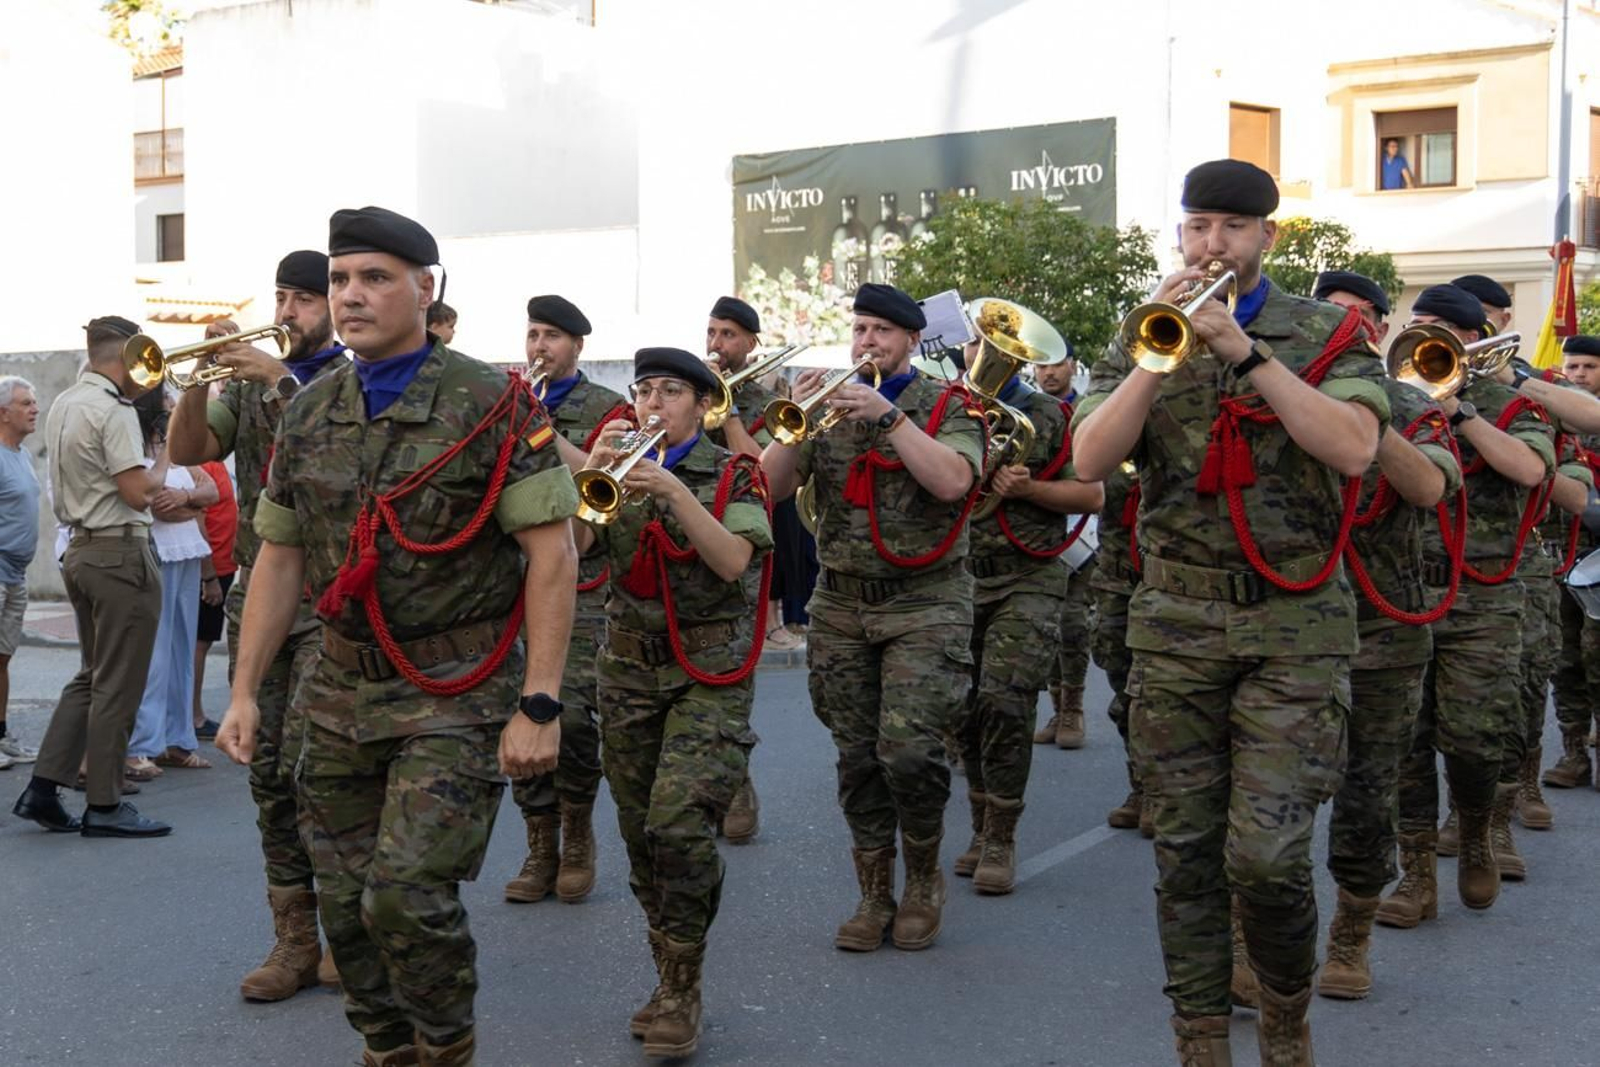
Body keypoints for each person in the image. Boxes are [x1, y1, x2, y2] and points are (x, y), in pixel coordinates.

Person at [215, 206, 579, 1067]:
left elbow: (552, 555)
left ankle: (447, 1044)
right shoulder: (308, 414)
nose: (350, 296)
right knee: (344, 907)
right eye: (341, 280)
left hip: (454, 688)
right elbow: (279, 558)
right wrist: (242, 691)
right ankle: (389, 1047)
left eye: (374, 277)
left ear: (426, 288)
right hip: (338, 691)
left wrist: (541, 701)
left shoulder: (491, 403)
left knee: (407, 895)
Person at [1070, 159, 1390, 1065]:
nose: (1213, 245)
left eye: (1232, 229)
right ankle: (1201, 1037)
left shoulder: (1329, 333)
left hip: (1294, 626)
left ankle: (1285, 1014)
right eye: (1198, 226)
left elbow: (1356, 447)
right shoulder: (1142, 331)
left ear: (1267, 239)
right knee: (1185, 851)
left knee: (1269, 856)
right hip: (1175, 623)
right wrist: (1157, 355)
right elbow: (1092, 458)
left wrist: (1243, 352)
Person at [761, 282, 984, 954]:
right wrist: (792, 422)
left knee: (910, 749)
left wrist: (890, 418)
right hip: (844, 602)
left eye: (882, 331)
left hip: (927, 601)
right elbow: (766, 488)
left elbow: (952, 481)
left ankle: (921, 876)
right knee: (857, 756)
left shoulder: (951, 405)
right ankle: (873, 890)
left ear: (913, 340)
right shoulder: (829, 406)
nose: (867, 342)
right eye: (859, 329)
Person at [572, 346, 771, 1058]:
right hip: (627, 669)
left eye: (672, 391)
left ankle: (685, 986)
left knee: (678, 824)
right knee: (638, 835)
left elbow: (734, 562)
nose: (654, 403)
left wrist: (673, 491)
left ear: (703, 403)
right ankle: (668, 974)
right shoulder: (616, 467)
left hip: (707, 671)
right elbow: (567, 550)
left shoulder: (734, 472)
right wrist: (591, 472)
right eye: (644, 389)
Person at [167, 250, 349, 1001]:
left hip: (333, 600)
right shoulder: (246, 385)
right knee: (269, 772)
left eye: (305, 299)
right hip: (261, 596)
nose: (288, 313)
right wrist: (196, 381)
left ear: (333, 307)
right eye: (283, 297)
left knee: (321, 767)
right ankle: (294, 937)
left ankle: (345, 927)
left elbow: (328, 452)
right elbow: (186, 452)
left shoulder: (349, 377)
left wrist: (273, 380)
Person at [1381, 284, 1553, 929]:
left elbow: (1532, 472)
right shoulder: (1394, 405)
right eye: (1417, 327)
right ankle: (1417, 873)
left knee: (1476, 737)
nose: (1426, 339)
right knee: (1405, 741)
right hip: (1403, 590)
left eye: (1440, 331)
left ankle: (1478, 826)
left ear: (1474, 341)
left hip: (1483, 593)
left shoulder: (1514, 406)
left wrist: (1459, 414)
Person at [1310, 270, 1459, 1000]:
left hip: (1381, 634)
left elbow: (1431, 488)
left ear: (1373, 329)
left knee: (1368, 795)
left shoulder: (1413, 403)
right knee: (1264, 799)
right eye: (1320, 315)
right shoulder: (1273, 392)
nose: (1333, 327)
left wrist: (1370, 427)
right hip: (1289, 629)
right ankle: (1254, 936)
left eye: (1348, 318)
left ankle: (1350, 932)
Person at [11, 316, 173, 838]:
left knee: (91, 675)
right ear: (125, 353)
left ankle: (42, 787)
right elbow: (137, 493)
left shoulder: (63, 402)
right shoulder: (113, 409)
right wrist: (167, 452)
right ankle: (104, 804)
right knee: (117, 684)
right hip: (119, 553)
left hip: (82, 550)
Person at [953, 331, 1102, 894]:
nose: (979, 353)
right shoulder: (948, 406)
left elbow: (1090, 497)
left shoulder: (1049, 414)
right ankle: (977, 823)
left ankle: (1001, 836)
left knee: (1005, 700)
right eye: (974, 342)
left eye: (988, 345)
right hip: (959, 578)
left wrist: (1028, 489)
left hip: (1028, 575)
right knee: (963, 707)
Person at [502, 293, 627, 906]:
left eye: (552, 336)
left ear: (578, 346)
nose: (539, 347)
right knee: (514, 710)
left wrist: (536, 427)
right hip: (507, 585)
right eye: (532, 334)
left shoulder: (610, 408)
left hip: (578, 583)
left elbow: (600, 481)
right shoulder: (503, 399)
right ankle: (538, 843)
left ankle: (576, 835)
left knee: (567, 712)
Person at [704, 294, 786, 843]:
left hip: (738, 544)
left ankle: (736, 781)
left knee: (727, 674)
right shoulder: (685, 387)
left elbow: (764, 474)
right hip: (679, 543)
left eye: (729, 335)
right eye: (711, 332)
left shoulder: (765, 402)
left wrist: (728, 411)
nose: (716, 344)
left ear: (752, 344)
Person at [124, 387, 220, 778]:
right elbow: (155, 502)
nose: (173, 412)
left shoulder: (179, 452)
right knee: (156, 655)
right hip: (157, 555)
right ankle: (142, 744)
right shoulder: (139, 451)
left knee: (181, 652)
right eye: (168, 407)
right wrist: (187, 503)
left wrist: (188, 498)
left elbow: (210, 490)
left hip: (189, 554)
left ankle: (178, 739)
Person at [1031, 345, 1096, 748]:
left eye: (1056, 363)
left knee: (1072, 623)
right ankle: (1057, 708)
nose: (1048, 372)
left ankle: (1073, 708)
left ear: (1072, 366)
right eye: (1041, 365)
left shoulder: (1089, 407)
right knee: (1047, 626)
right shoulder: (1029, 410)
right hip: (1040, 527)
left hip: (1084, 529)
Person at [1546, 334, 1600, 789]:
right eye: (1573, 367)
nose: (1578, 375)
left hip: (1598, 557)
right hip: (1557, 553)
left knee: (1596, 656)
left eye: (1589, 367)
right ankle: (1573, 753)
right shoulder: (1548, 415)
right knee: (1564, 660)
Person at [0, 376, 42, 771]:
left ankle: (1, 734)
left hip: (16, 573)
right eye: (25, 403)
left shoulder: (22, 455)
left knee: (3, 657)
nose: (34, 408)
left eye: (33, 402)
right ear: (3, 412)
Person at [192, 457, 238, 741]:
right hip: (211, 570)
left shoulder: (217, 462)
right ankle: (193, 715)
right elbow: (199, 522)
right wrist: (208, 577)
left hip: (224, 566)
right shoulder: (201, 465)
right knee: (198, 642)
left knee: (203, 641)